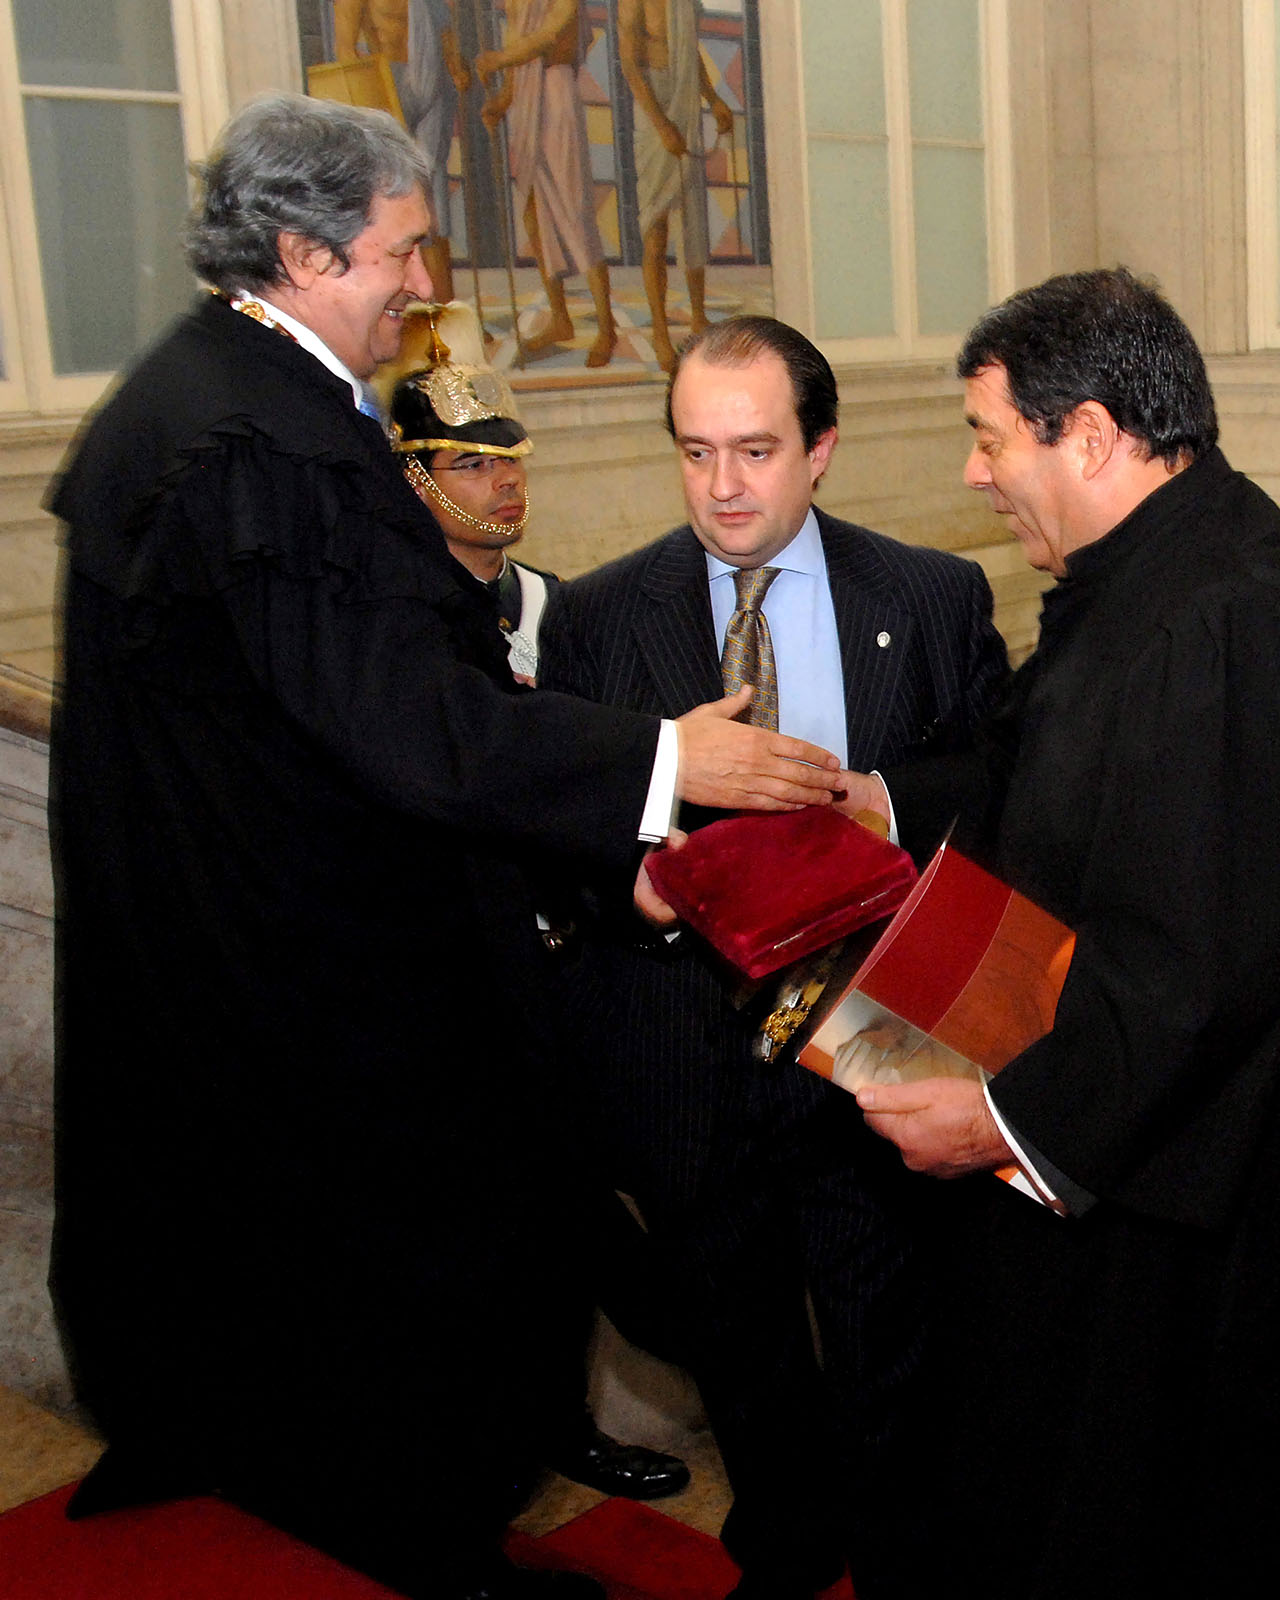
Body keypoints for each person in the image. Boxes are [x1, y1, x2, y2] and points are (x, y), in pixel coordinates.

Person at [48, 94, 839, 1600]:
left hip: (222, 947)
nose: (425, 285)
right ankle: (427, 1537)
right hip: (332, 975)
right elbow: (407, 720)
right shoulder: (267, 444)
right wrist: (666, 759)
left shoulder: (188, 394)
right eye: (404, 250)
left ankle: (236, 1441)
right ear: (304, 253)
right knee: (439, 1256)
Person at [842, 268, 1280, 1589]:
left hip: (1192, 1223)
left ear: (1092, 436)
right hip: (1131, 1152)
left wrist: (1000, 1123)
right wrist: (873, 808)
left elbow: (1198, 973)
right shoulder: (1152, 574)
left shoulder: (1226, 619)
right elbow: (1044, 778)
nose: (975, 473)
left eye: (989, 437)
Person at [538, 315, 1010, 1599]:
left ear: (821, 450)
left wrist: (879, 800)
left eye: (754, 450)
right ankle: (785, 1550)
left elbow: (1000, 782)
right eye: (696, 452)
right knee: (735, 1336)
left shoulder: (928, 595)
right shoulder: (595, 617)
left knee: (887, 1329)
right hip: (679, 1038)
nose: (724, 486)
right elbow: (554, 827)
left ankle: (905, 1560)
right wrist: (634, 876)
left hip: (870, 1028)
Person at [387, 333, 689, 1502]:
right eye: (469, 463)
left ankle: (575, 1414)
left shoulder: (559, 609)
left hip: (576, 960)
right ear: (412, 476)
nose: (501, 483)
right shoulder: (400, 630)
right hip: (462, 979)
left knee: (588, 1216)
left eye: (508, 459)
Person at [476, 0, 617, 368]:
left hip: (555, 91)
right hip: (526, 99)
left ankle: (607, 327)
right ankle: (560, 317)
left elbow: (547, 37)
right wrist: (502, 101)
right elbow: (518, 47)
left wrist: (499, 59)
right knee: (533, 211)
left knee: (575, 211)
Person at [617, 0, 733, 374]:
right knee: (656, 225)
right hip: (655, 102)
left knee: (692, 217)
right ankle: (660, 332)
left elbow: (688, 51)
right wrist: (662, 125)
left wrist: (714, 99)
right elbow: (631, 66)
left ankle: (698, 316)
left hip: (685, 100)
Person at [333, 0, 463, 299]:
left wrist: (457, 67)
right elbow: (346, 52)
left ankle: (444, 308)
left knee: (434, 196)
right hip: (387, 81)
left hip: (432, 79)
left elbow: (445, 34)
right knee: (393, 192)